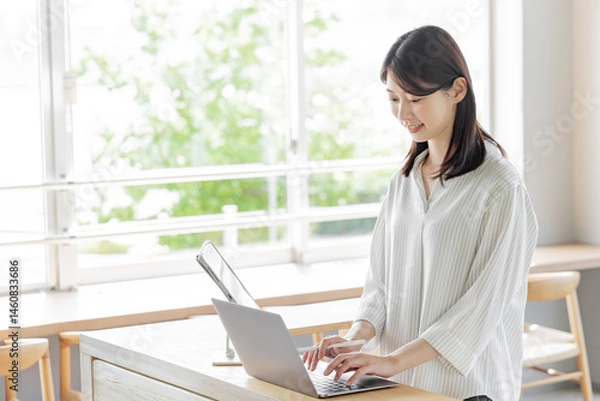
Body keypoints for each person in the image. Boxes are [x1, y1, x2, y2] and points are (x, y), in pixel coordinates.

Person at [302, 25, 538, 401]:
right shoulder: (404, 181)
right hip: (403, 388)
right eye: (393, 98)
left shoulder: (499, 187)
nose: (402, 113)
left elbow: (480, 308)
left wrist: (393, 360)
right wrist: (355, 338)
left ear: (457, 90)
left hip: (469, 390)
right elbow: (380, 287)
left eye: (414, 98)